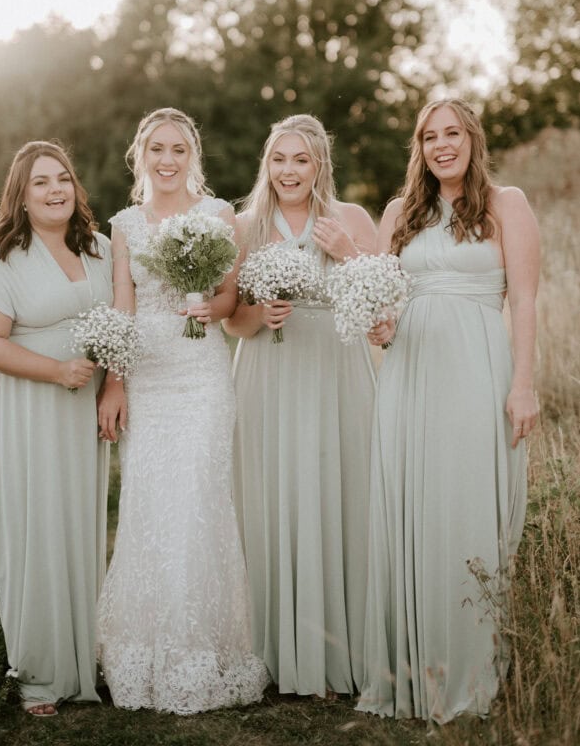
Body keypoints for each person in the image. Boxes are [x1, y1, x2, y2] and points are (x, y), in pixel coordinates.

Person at [357, 98, 539, 724]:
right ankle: (410, 670)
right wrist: (379, 328)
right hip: (409, 374)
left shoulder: (505, 204)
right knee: (414, 505)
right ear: (420, 147)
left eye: (452, 133)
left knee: (464, 505)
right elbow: (378, 300)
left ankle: (467, 672)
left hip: (476, 371)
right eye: (429, 136)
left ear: (471, 139)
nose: (441, 146)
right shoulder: (398, 213)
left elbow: (525, 302)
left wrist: (523, 383)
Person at [96, 107, 269, 714]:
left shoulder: (219, 216)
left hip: (200, 378)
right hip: (146, 376)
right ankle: (144, 650)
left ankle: (201, 650)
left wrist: (210, 309)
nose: (167, 160)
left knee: (199, 500)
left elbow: (231, 294)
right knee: (148, 503)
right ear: (140, 155)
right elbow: (123, 303)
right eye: (156, 150)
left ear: (192, 154)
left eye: (177, 149)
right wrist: (114, 384)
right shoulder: (124, 224)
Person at [224, 114, 377, 698]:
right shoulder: (244, 227)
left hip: (337, 369)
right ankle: (273, 652)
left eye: (301, 160)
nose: (289, 171)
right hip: (268, 372)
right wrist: (259, 317)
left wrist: (347, 252)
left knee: (340, 493)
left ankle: (340, 652)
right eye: (280, 159)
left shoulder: (351, 220)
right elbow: (231, 319)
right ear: (267, 163)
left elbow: (383, 299)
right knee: (274, 496)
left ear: (319, 166)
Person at [0, 141, 112, 717]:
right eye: (40, 183)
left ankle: (83, 659)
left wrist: (111, 382)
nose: (55, 190)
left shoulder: (99, 247)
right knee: (37, 527)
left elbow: (120, 317)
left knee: (78, 525)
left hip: (83, 407)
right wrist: (56, 370)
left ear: (76, 187)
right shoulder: (2, 257)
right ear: (21, 198)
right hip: (28, 405)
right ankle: (38, 673)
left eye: (63, 179)